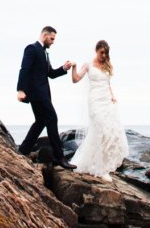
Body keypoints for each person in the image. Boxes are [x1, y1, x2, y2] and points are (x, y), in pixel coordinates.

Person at [17, 26, 77, 169]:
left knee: (40, 122)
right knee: (52, 119)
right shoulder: (32, 49)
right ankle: (58, 157)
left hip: (42, 95)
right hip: (37, 94)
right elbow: (24, 69)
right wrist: (20, 90)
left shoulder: (44, 53)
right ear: (44, 35)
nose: (53, 42)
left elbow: (50, 73)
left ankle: (22, 151)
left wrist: (64, 68)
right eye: (52, 39)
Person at [69, 40, 129, 181]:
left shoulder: (107, 65)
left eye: (106, 53)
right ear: (96, 50)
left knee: (109, 133)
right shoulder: (88, 64)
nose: (104, 55)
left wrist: (113, 97)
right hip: (95, 102)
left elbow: (108, 84)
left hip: (107, 101)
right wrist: (74, 67)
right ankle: (100, 170)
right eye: (102, 52)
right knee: (100, 130)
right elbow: (76, 79)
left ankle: (101, 165)